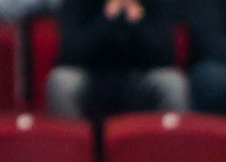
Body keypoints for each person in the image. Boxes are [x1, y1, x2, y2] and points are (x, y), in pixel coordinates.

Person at [46, 0, 191, 121]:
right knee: (62, 81)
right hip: (90, 75)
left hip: (140, 76)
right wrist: (107, 19)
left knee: (172, 83)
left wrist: (137, 22)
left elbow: (166, 56)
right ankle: (72, 146)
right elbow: (70, 53)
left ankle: (171, 146)